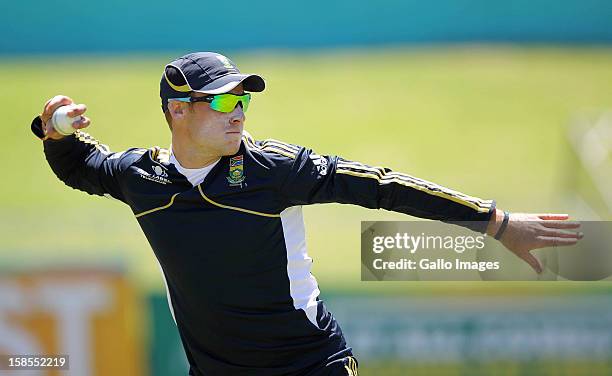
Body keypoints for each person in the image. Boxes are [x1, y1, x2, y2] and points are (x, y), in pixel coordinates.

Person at [31, 52, 582, 376]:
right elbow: (80, 165)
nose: (238, 112)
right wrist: (52, 128)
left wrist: (497, 223)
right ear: (179, 111)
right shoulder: (142, 177)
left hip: (310, 368)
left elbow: (383, 187)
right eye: (222, 102)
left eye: (243, 100)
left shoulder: (276, 168)